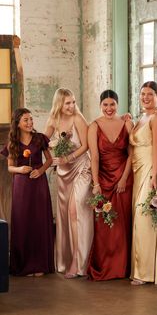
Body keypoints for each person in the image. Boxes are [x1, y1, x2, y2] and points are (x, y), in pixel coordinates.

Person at [45, 88, 93, 278]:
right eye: (67, 103)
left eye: (73, 102)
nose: (72, 106)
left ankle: (79, 261)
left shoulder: (78, 119)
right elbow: (42, 142)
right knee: (65, 215)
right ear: (59, 104)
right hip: (64, 173)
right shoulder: (53, 121)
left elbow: (87, 145)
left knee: (76, 212)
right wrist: (51, 160)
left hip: (81, 168)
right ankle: (65, 259)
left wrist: (68, 157)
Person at [1, 108, 54, 276]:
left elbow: (50, 159)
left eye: (31, 119)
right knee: (22, 222)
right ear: (18, 124)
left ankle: (39, 265)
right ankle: (23, 266)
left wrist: (40, 171)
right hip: (21, 186)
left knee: (39, 222)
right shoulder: (13, 143)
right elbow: (9, 167)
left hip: (39, 185)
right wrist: (20, 169)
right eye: (26, 120)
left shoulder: (40, 139)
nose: (30, 122)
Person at [87, 89, 133, 280]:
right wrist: (96, 184)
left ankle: (123, 268)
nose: (109, 108)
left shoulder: (127, 123)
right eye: (105, 105)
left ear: (117, 104)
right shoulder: (94, 126)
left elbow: (132, 154)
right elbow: (95, 157)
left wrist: (123, 179)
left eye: (112, 104)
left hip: (124, 179)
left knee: (123, 224)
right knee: (104, 226)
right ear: (100, 106)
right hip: (103, 180)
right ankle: (105, 266)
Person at [129, 81, 157, 285]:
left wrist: (155, 175)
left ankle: (147, 272)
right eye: (142, 93)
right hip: (139, 169)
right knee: (138, 216)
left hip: (152, 169)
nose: (145, 97)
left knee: (145, 216)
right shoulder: (143, 117)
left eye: (150, 94)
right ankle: (139, 267)